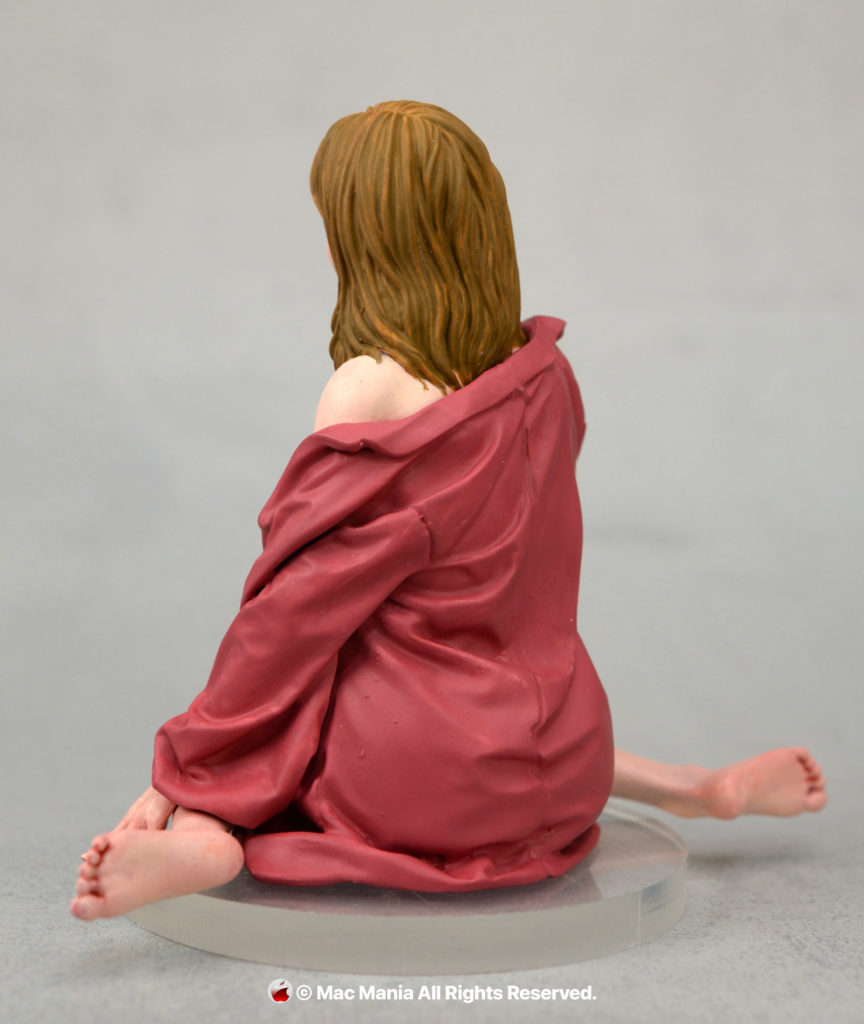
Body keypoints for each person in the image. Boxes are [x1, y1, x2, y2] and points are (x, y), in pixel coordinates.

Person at [71, 102, 826, 922]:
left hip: (421, 784)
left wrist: (184, 770)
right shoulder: (546, 375)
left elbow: (292, 617)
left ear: (368, 237)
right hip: (566, 754)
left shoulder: (368, 389)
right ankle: (693, 787)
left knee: (318, 670)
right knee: (500, 690)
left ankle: (208, 837)